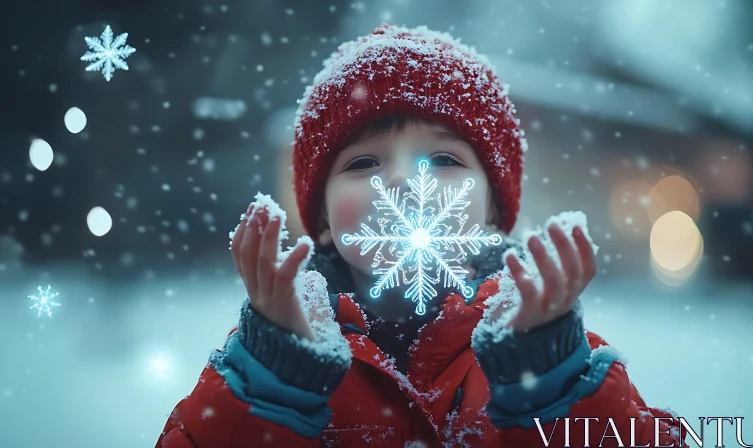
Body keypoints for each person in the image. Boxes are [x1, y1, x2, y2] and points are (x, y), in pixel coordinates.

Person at [156, 24, 684, 447]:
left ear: (494, 210)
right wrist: (276, 378)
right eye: (364, 162)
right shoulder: (267, 360)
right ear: (319, 218)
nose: (406, 180)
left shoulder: (549, 350)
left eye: (444, 159)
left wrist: (549, 379)